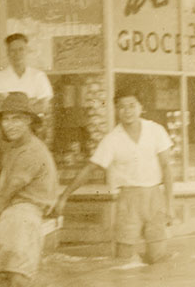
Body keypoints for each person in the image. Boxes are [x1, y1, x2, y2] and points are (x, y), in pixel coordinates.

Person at [52, 82, 174, 267]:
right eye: (122, 106)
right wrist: (64, 195)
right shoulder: (112, 139)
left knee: (158, 260)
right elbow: (90, 169)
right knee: (123, 263)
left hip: (155, 198)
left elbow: (167, 167)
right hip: (128, 200)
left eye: (132, 105)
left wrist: (170, 205)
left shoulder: (156, 131)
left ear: (141, 107)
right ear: (116, 109)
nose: (127, 111)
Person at [0, 92, 58, 287]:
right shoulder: (12, 149)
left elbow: (5, 193)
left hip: (25, 214)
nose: (9, 124)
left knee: (17, 283)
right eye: (6, 119)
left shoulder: (32, 152)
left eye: (17, 119)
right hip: (8, 211)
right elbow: (1, 193)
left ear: (29, 122)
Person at [0, 33, 53, 119]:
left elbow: (44, 107)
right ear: (8, 53)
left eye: (21, 49)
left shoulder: (39, 76)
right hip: (8, 125)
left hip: (34, 126)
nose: (17, 54)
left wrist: (9, 101)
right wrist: (30, 102)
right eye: (13, 50)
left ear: (27, 51)